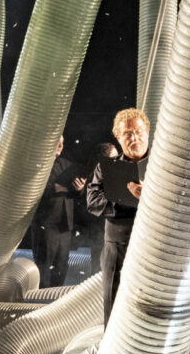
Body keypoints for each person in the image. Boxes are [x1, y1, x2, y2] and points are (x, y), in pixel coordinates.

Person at [86, 108, 149, 325]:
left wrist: (149, 196)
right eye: (128, 134)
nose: (135, 138)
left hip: (156, 249)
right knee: (114, 310)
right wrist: (126, 200)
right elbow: (93, 202)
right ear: (118, 138)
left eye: (139, 131)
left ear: (148, 132)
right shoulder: (106, 169)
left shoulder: (163, 166)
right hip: (117, 249)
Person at [32, 135, 86, 287]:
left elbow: (77, 193)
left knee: (61, 266)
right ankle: (41, 303)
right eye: (57, 143)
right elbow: (28, 192)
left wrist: (80, 189)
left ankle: (56, 301)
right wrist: (53, 189)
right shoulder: (37, 166)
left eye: (62, 143)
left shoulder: (67, 165)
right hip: (46, 223)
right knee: (44, 266)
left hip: (65, 225)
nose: (60, 146)